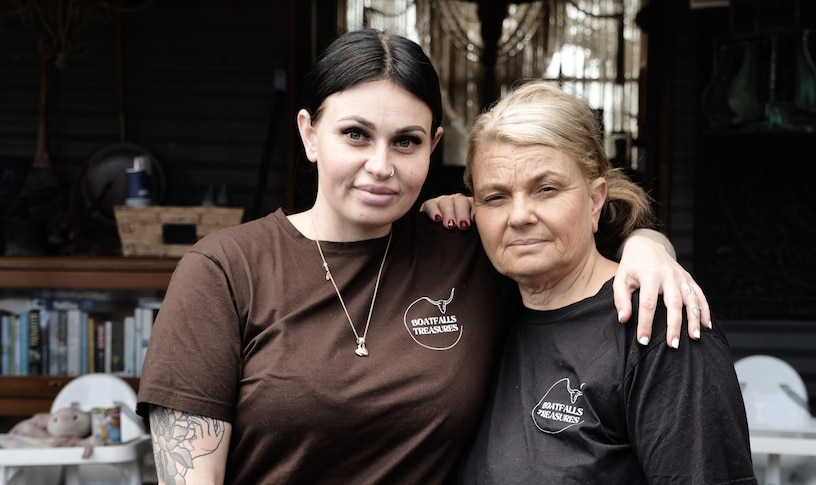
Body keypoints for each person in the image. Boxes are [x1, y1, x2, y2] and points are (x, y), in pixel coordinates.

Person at [135, 30, 712, 484]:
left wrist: (649, 246)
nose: (381, 165)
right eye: (355, 135)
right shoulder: (223, 271)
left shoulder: (466, 246)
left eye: (405, 141)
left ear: (433, 147)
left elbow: (571, 248)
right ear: (310, 135)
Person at [452, 80, 755, 484]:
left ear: (595, 199)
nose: (519, 215)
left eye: (546, 189)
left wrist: (651, 243)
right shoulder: (486, 306)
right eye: (495, 197)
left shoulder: (659, 326)